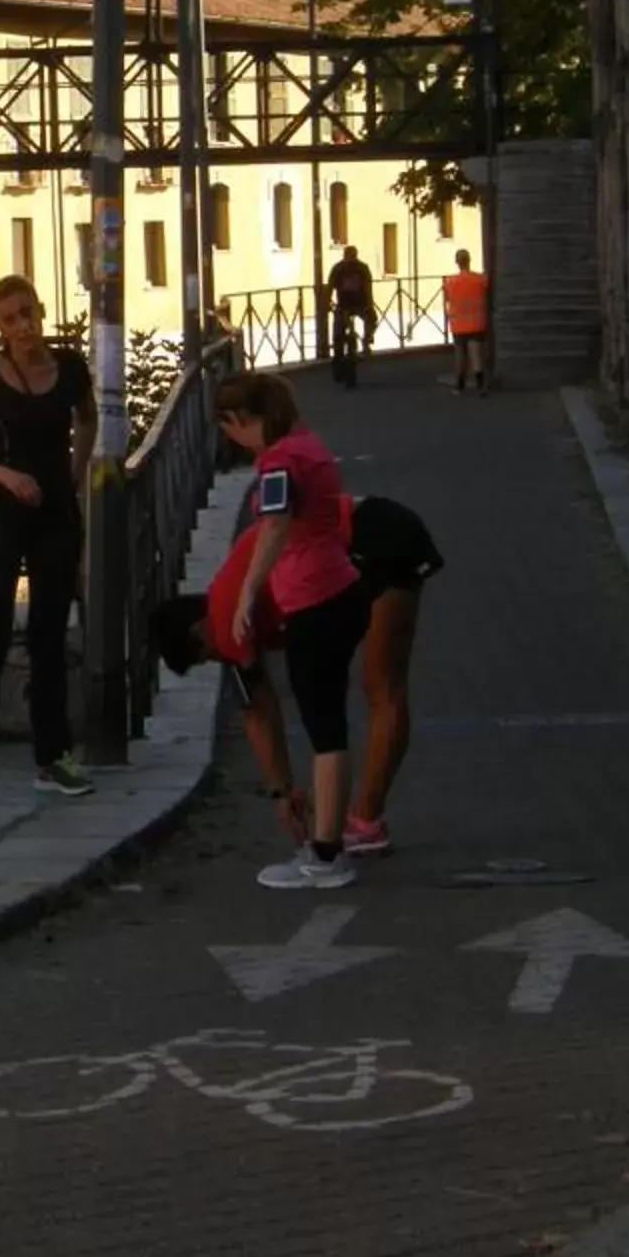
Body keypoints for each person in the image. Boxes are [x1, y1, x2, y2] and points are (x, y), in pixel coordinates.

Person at [189, 371, 369, 888]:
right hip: (340, 588)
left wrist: (248, 591)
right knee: (328, 720)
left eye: (230, 428)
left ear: (242, 419)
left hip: (315, 600)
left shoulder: (280, 462)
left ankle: (326, 855)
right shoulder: (306, 445)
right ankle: (327, 847)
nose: (231, 440)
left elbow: (274, 524)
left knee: (324, 727)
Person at [0, 273, 95, 802]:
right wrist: (6, 476)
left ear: (42, 312)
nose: (23, 326)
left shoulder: (70, 368)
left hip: (55, 515)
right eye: (11, 319)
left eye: (28, 313)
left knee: (50, 636)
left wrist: (71, 480)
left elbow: (88, 422)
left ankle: (54, 758)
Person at [339, 494, 445, 855]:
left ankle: (367, 819)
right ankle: (362, 816)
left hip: (379, 541)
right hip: (369, 537)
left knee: (383, 685)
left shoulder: (279, 470)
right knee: (380, 685)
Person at [325, 246, 377, 386]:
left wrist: (370, 305)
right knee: (338, 333)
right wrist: (328, 302)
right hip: (345, 307)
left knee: (371, 319)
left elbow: (368, 288)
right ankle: (343, 353)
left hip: (357, 306)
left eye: (352, 256)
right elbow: (329, 287)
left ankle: (366, 340)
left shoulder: (361, 269)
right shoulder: (340, 269)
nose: (350, 260)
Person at [442, 249, 491, 394]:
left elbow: (447, 300)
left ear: (457, 263)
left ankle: (460, 385)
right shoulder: (480, 279)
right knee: (476, 355)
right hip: (477, 322)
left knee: (460, 355)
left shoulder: (450, 282)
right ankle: (481, 385)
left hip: (458, 324)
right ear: (469, 260)